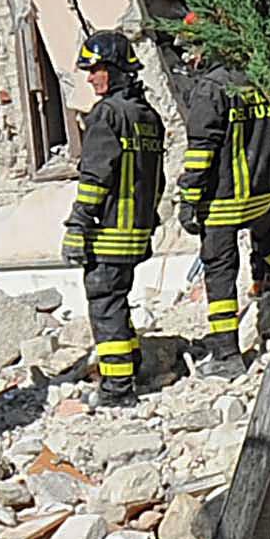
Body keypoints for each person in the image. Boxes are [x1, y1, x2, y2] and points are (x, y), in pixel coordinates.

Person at [174, 17, 270, 376]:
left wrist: (190, 198)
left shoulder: (210, 90)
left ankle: (226, 355)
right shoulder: (255, 80)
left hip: (224, 199)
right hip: (261, 194)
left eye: (192, 47)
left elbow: (201, 153)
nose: (189, 57)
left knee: (219, 272)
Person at [63, 31, 164, 408]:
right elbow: (159, 179)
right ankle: (134, 363)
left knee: (105, 306)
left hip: (107, 233)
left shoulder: (107, 114)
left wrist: (78, 224)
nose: (90, 77)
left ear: (117, 69)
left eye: (96, 68)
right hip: (136, 232)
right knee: (118, 301)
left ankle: (118, 388)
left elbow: (95, 177)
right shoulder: (148, 116)